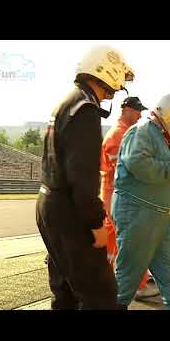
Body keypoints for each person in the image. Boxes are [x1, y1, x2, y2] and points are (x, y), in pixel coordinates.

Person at [36, 45, 134, 310]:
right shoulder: (86, 110)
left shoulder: (66, 102)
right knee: (100, 292)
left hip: (48, 203)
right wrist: (96, 223)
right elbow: (83, 177)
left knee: (65, 290)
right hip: (69, 209)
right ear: (108, 70)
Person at [111, 93, 170, 310]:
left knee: (165, 265)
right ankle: (115, 305)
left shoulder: (160, 137)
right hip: (138, 212)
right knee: (130, 268)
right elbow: (137, 162)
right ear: (169, 113)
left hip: (158, 214)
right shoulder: (142, 131)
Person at [100, 96, 159, 300]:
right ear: (125, 109)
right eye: (136, 110)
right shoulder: (119, 135)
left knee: (117, 242)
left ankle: (111, 282)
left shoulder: (123, 133)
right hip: (119, 196)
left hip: (115, 195)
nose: (140, 115)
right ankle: (136, 286)